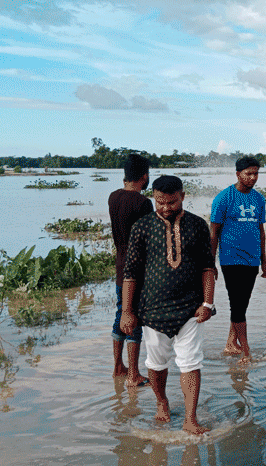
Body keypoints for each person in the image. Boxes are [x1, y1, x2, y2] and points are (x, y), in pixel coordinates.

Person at [120, 175, 216, 435]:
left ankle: (190, 418)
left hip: (190, 308)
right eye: (160, 202)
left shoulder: (197, 225)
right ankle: (161, 401)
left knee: (190, 362)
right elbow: (131, 273)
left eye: (171, 202)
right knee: (156, 362)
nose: (165, 207)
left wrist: (207, 303)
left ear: (183, 196)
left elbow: (208, 267)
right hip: (152, 310)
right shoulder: (142, 227)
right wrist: (127, 311)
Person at [210, 157, 266, 366]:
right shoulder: (224, 198)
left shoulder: (259, 199)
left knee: (241, 304)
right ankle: (246, 351)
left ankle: (230, 343)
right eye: (248, 174)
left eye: (256, 174)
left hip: (252, 260)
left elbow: (260, 231)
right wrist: (211, 264)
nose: (253, 178)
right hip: (230, 259)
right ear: (238, 174)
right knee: (238, 305)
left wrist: (264, 261)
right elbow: (214, 232)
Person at [108, 153, 153, 388]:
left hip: (119, 264)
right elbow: (148, 238)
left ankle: (118, 366)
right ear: (144, 176)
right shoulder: (143, 203)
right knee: (134, 316)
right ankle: (134, 373)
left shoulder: (113, 197)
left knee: (120, 313)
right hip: (137, 268)